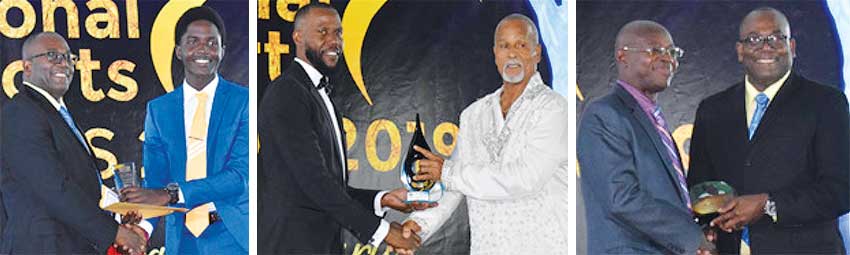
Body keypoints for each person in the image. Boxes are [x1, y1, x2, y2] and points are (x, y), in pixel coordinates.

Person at [258, 3, 430, 254]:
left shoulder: (319, 94)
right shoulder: (288, 92)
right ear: (298, 37)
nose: (333, 41)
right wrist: (382, 232)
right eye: (322, 32)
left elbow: (329, 187)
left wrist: (380, 199)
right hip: (291, 246)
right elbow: (314, 183)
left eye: (338, 33)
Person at [401, 14, 569, 254]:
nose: (512, 53)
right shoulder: (473, 115)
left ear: (537, 53)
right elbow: (455, 186)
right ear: (495, 54)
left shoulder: (553, 108)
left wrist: (447, 172)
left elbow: (526, 178)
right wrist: (419, 226)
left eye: (521, 45)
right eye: (504, 46)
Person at [687, 7, 849, 254]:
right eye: (753, 39)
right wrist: (709, 228)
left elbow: (841, 189)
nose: (766, 46)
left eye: (776, 38)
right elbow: (701, 186)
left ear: (792, 47)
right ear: (740, 51)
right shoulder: (712, 110)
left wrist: (768, 205)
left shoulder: (826, 103)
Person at [0, 32, 146, 255]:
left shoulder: (57, 113)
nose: (64, 63)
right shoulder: (21, 112)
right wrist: (115, 232)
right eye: (52, 55)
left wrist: (117, 209)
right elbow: (53, 186)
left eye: (68, 57)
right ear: (27, 67)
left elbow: (77, 181)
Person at [119, 6, 248, 254]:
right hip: (182, 239)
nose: (203, 49)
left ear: (222, 51)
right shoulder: (159, 110)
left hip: (233, 236)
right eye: (193, 41)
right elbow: (155, 181)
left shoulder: (244, 102)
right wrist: (142, 229)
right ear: (179, 51)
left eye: (212, 43)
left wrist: (171, 194)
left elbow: (239, 177)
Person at [577, 20, 711, 254]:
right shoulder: (605, 114)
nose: (668, 58)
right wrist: (692, 237)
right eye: (655, 51)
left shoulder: (653, 120)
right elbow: (621, 198)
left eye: (672, 52)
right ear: (622, 56)